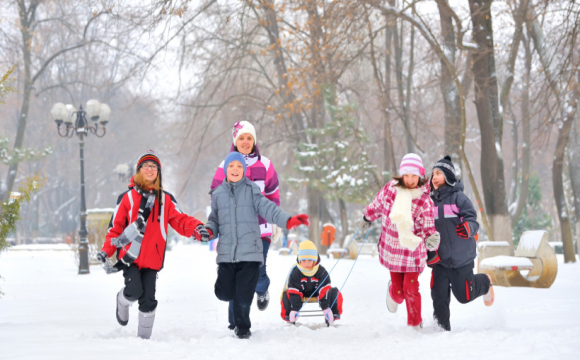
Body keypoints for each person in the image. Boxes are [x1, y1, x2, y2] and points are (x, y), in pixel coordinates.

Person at [96, 150, 209, 339]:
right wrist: (106, 252)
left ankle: (143, 343)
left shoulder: (166, 200)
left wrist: (198, 228)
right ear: (139, 170)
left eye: (154, 167)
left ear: (158, 173)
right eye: (146, 166)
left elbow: (181, 220)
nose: (150, 169)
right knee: (133, 291)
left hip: (152, 260)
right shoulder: (127, 198)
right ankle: (122, 301)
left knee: (148, 301)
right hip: (130, 257)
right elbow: (115, 229)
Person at [205, 152, 309, 339]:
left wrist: (288, 220)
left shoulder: (252, 190)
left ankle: (243, 329)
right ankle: (232, 303)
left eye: (239, 166)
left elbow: (268, 209)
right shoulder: (218, 194)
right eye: (231, 166)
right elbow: (214, 219)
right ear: (225, 170)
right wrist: (208, 231)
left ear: (243, 170)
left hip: (250, 252)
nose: (235, 169)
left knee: (243, 296)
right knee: (224, 292)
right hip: (227, 254)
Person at [210, 121, 280, 324]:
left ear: (254, 141)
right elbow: (216, 195)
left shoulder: (265, 164)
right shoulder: (225, 165)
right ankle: (235, 322)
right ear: (235, 141)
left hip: (260, 229)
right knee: (237, 276)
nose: (246, 141)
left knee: (258, 271)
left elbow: (273, 194)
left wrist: (273, 220)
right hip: (236, 231)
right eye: (241, 138)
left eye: (249, 138)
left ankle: (262, 288)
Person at [360, 153, 440, 328]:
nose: (410, 180)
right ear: (401, 175)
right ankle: (392, 290)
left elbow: (428, 224)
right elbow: (377, 205)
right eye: (407, 175)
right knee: (399, 293)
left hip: (412, 253)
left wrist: (431, 238)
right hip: (393, 251)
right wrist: (367, 217)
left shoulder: (424, 199)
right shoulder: (391, 189)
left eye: (414, 175)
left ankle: (414, 324)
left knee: (410, 289)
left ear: (420, 175)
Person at [428, 155, 494, 331]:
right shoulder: (429, 202)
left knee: (465, 295)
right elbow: (424, 230)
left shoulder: (458, 198)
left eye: (439, 173)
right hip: (440, 260)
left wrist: (468, 227)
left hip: (460, 258)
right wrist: (429, 253)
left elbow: (472, 219)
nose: (434, 177)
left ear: (448, 177)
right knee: (438, 295)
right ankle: (441, 328)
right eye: (433, 173)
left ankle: (485, 282)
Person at [280, 240, 343, 326]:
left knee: (334, 292)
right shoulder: (296, 272)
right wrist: (295, 309)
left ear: (315, 260)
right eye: (303, 260)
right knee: (286, 294)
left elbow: (324, 289)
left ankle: (333, 313)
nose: (306, 263)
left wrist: (326, 308)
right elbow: (294, 290)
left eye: (310, 260)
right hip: (300, 294)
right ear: (299, 260)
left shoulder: (321, 271)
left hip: (318, 294)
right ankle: (289, 315)